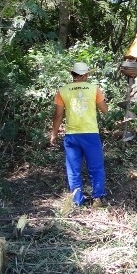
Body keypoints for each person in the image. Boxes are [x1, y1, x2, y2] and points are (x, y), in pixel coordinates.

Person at [51, 62, 108, 207]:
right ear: (84, 75)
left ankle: (77, 201)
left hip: (72, 135)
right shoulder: (94, 89)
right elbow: (105, 110)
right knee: (96, 167)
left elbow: (58, 115)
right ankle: (97, 198)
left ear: (73, 74)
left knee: (73, 169)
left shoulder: (62, 91)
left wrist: (54, 133)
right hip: (90, 134)